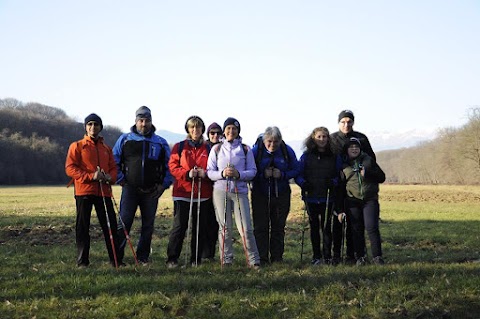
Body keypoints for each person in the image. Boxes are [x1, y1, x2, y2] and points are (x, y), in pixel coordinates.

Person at [112, 106, 172, 265]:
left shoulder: (160, 142)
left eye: (147, 120)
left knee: (148, 226)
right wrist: (120, 179)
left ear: (151, 121)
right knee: (124, 223)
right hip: (130, 189)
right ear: (136, 121)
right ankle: (117, 259)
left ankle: (142, 257)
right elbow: (113, 160)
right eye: (141, 120)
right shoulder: (125, 139)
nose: (144, 124)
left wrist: (163, 185)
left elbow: (170, 166)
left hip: (151, 191)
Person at [65, 113, 119, 268]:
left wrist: (110, 177)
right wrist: (90, 176)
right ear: (85, 127)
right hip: (84, 191)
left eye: (96, 125)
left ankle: (115, 259)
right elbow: (70, 168)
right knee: (83, 227)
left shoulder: (107, 149)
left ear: (100, 127)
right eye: (90, 124)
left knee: (110, 226)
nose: (93, 127)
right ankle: (82, 261)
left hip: (104, 191)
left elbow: (114, 169)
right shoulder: (77, 146)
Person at [206, 117, 260, 268]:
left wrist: (239, 174)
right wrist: (222, 173)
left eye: (234, 129)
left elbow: (253, 171)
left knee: (246, 228)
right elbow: (210, 172)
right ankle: (226, 260)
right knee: (225, 228)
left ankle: (253, 260)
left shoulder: (245, 149)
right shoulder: (216, 149)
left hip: (240, 191)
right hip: (221, 191)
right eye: (228, 128)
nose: (231, 131)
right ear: (224, 131)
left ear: (238, 131)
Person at [166, 116, 213, 268]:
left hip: (203, 194)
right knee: (179, 227)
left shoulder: (209, 148)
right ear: (188, 129)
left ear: (202, 129)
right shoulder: (179, 147)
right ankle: (172, 258)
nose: (195, 130)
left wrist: (204, 173)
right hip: (182, 193)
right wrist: (187, 174)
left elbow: (213, 168)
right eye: (192, 127)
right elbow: (173, 166)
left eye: (198, 127)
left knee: (199, 228)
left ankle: (196, 259)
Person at [330, 109, 376, 264]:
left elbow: (371, 158)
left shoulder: (361, 138)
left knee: (355, 223)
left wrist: (366, 171)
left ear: (353, 122)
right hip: (337, 185)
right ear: (338, 123)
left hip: (355, 185)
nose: (346, 124)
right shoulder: (332, 139)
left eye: (349, 121)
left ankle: (354, 254)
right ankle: (336, 255)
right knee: (337, 220)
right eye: (343, 122)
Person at [251, 126, 299, 265]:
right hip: (260, 194)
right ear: (264, 140)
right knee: (261, 227)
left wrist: (282, 175)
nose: (273, 145)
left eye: (276, 142)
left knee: (278, 227)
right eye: (269, 142)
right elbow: (249, 172)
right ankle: (262, 258)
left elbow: (296, 169)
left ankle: (277, 258)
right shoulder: (256, 152)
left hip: (281, 194)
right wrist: (262, 175)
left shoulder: (286, 150)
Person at [295, 127, 343, 265]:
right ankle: (316, 256)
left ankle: (327, 256)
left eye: (324, 137)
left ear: (328, 138)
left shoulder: (334, 156)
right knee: (314, 228)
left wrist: (334, 182)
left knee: (327, 228)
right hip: (311, 197)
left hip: (327, 197)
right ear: (313, 138)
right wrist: (303, 183)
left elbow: (340, 174)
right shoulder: (306, 156)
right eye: (319, 137)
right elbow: (299, 174)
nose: (322, 140)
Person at [337, 137, 386, 266]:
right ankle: (360, 257)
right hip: (352, 200)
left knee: (372, 228)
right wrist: (340, 209)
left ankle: (377, 257)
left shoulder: (368, 160)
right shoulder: (343, 166)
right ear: (346, 150)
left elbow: (382, 177)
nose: (354, 149)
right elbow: (340, 189)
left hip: (370, 200)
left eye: (356, 147)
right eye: (351, 147)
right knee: (356, 229)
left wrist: (368, 173)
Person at [201, 122, 223, 261]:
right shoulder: (203, 147)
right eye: (212, 133)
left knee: (216, 223)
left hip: (220, 189)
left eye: (218, 133)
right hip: (204, 189)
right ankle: (202, 252)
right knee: (204, 222)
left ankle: (211, 253)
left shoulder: (224, 148)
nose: (215, 135)